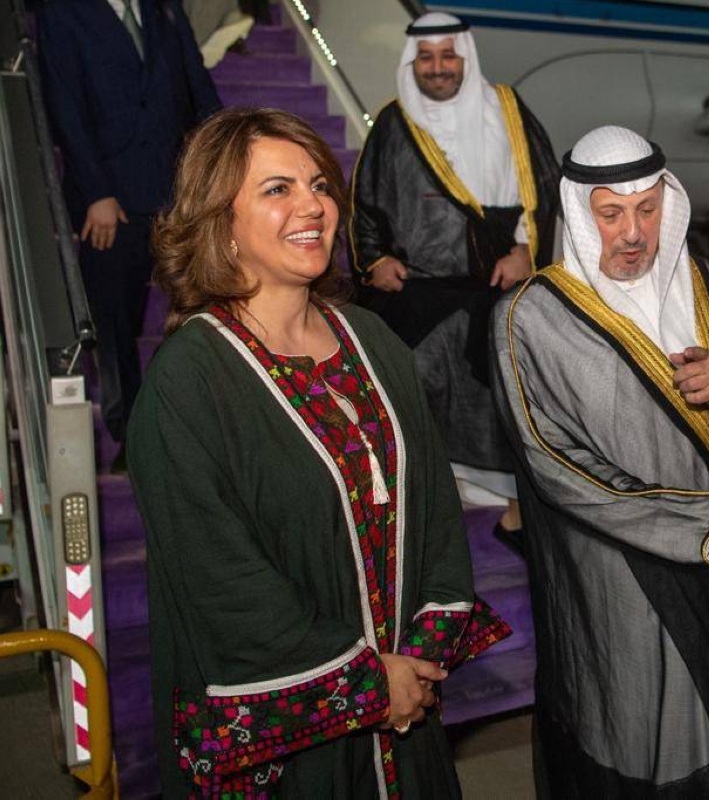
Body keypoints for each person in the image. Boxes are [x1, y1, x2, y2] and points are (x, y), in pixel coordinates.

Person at [127, 108, 508, 797]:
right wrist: (366, 683)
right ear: (220, 221)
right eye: (278, 189)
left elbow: (435, 509)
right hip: (292, 742)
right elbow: (220, 580)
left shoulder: (373, 339)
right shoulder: (189, 380)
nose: (313, 206)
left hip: (407, 705)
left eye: (320, 185)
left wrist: (416, 662)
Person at [491, 125, 709, 797]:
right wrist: (705, 522)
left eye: (647, 209)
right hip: (626, 582)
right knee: (659, 747)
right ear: (581, 215)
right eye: (611, 214)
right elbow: (558, 468)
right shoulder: (530, 318)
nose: (633, 233)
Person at [350, 11, 559, 539]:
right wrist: (374, 260)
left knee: (502, 390)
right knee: (407, 386)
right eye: (426, 57)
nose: (438, 67)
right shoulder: (394, 122)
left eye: (448, 56)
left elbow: (543, 186)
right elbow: (365, 201)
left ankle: (513, 508)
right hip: (417, 289)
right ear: (412, 62)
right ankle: (418, 508)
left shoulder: (505, 108)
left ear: (465, 56)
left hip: (495, 282)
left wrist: (525, 251)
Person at [38, 0, 221, 453]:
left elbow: (197, 85)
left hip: (175, 193)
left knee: (196, 307)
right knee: (113, 318)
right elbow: (66, 109)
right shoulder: (63, 14)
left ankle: (178, 416)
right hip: (108, 202)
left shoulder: (164, 9)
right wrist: (96, 193)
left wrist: (221, 162)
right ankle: (130, 434)